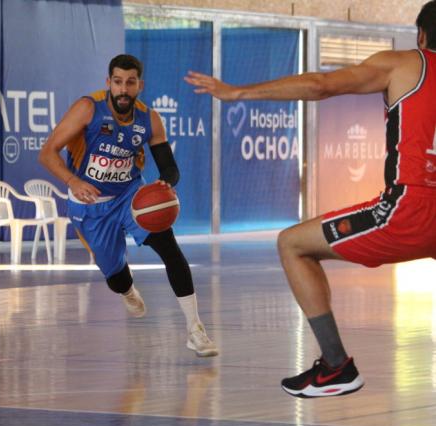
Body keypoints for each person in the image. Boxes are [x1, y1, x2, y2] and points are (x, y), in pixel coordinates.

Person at [185, 1, 436, 397]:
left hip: (412, 208)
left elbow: (321, 85)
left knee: (292, 243)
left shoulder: (405, 64)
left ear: (420, 36)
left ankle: (336, 365)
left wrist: (238, 93)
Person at [39, 54, 218, 357]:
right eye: (118, 82)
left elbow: (170, 168)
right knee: (116, 276)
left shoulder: (149, 119)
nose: (124, 89)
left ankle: (195, 329)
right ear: (108, 83)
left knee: (171, 250)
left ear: (140, 85)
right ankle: (127, 289)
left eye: (130, 83)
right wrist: (73, 181)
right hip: (90, 203)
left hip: (131, 198)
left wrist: (165, 183)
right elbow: (47, 153)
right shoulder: (87, 109)